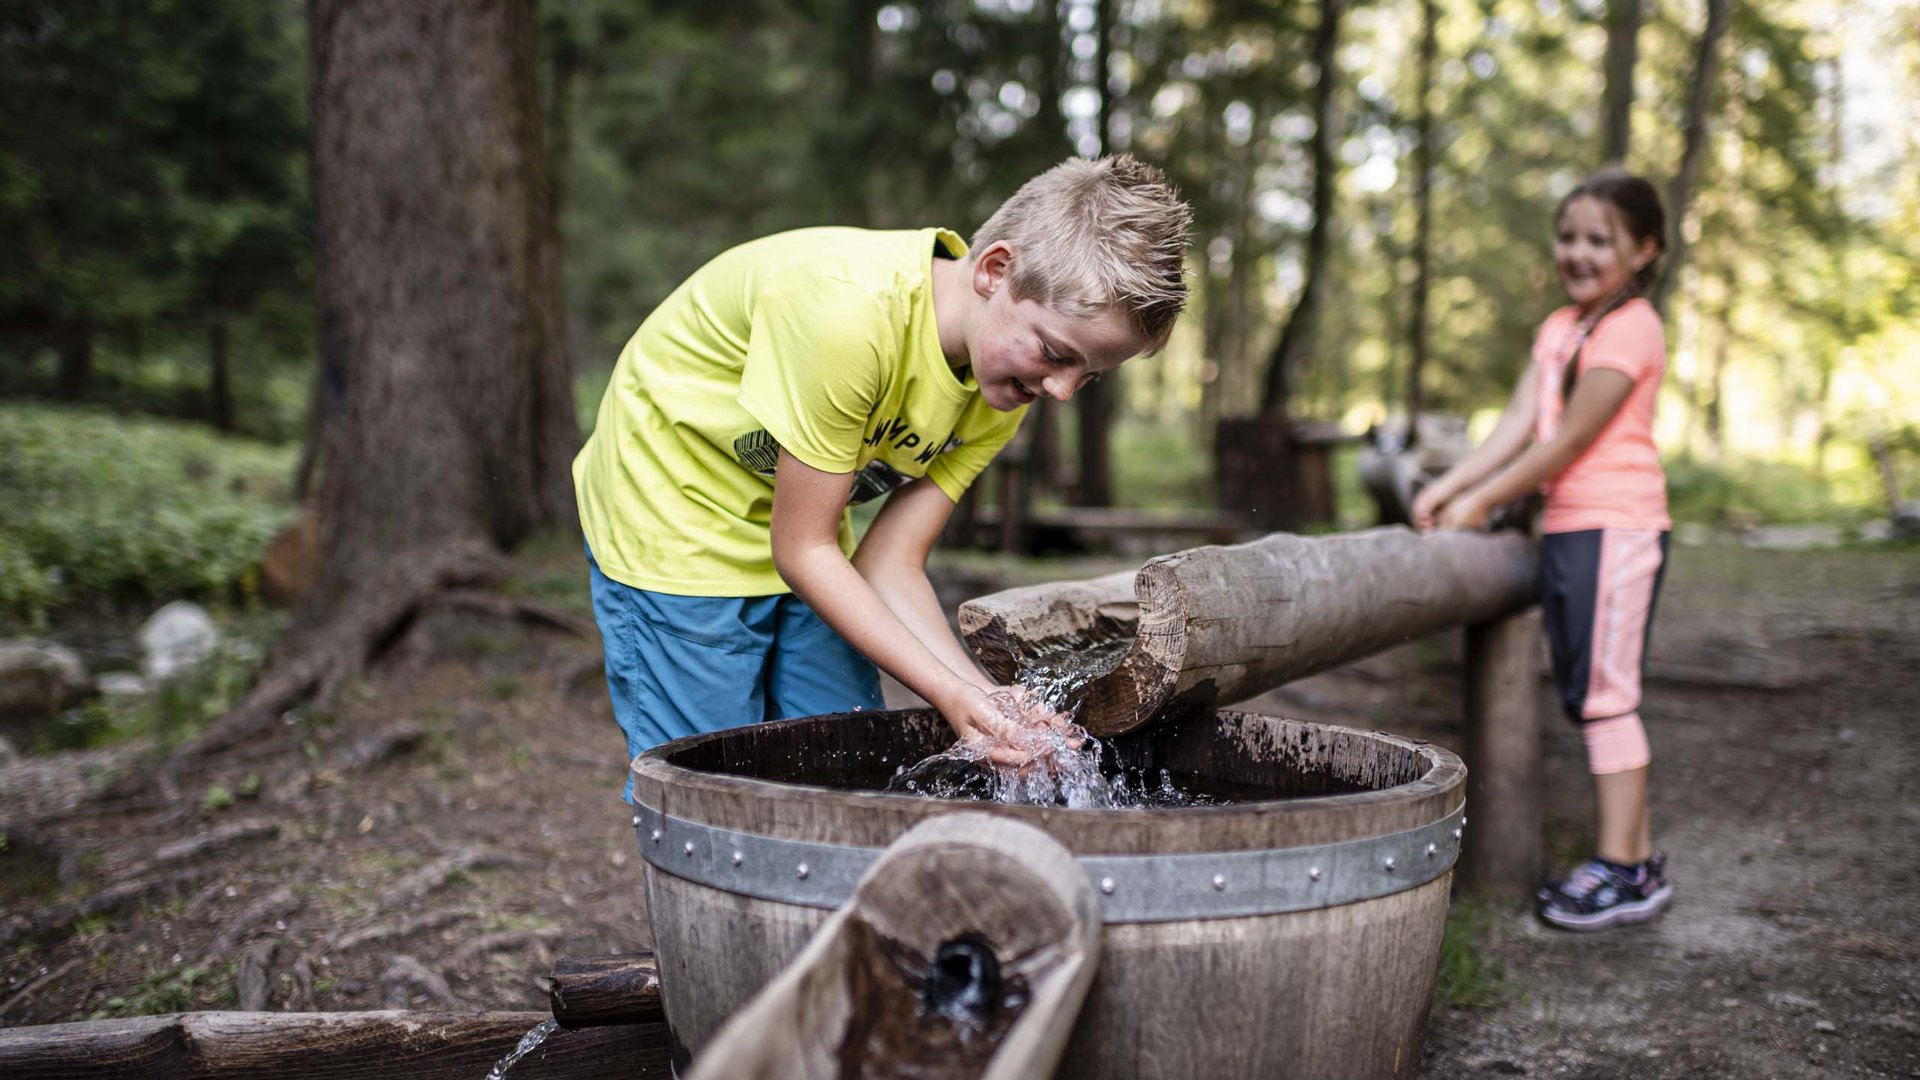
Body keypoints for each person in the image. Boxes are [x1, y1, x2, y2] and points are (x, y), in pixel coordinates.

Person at [574, 155, 1192, 798]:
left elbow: (890, 563)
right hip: (675, 511)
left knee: (849, 741)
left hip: (799, 526)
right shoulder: (849, 318)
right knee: (713, 777)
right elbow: (803, 549)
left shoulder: (1002, 385)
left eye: (1088, 375)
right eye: (1057, 355)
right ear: (995, 270)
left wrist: (987, 703)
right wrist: (948, 694)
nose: (1062, 391)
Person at [1412, 170, 1674, 931]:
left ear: (1643, 249)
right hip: (1569, 528)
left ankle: (1624, 869)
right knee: (1589, 693)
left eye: (1600, 240)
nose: (1579, 252)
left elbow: (1571, 440)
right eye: (1569, 237)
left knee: (1605, 699)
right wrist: (1451, 486)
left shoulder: (1633, 327)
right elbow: (1519, 421)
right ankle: (1640, 860)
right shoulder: (1562, 326)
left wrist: (1486, 502)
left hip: (1617, 527)